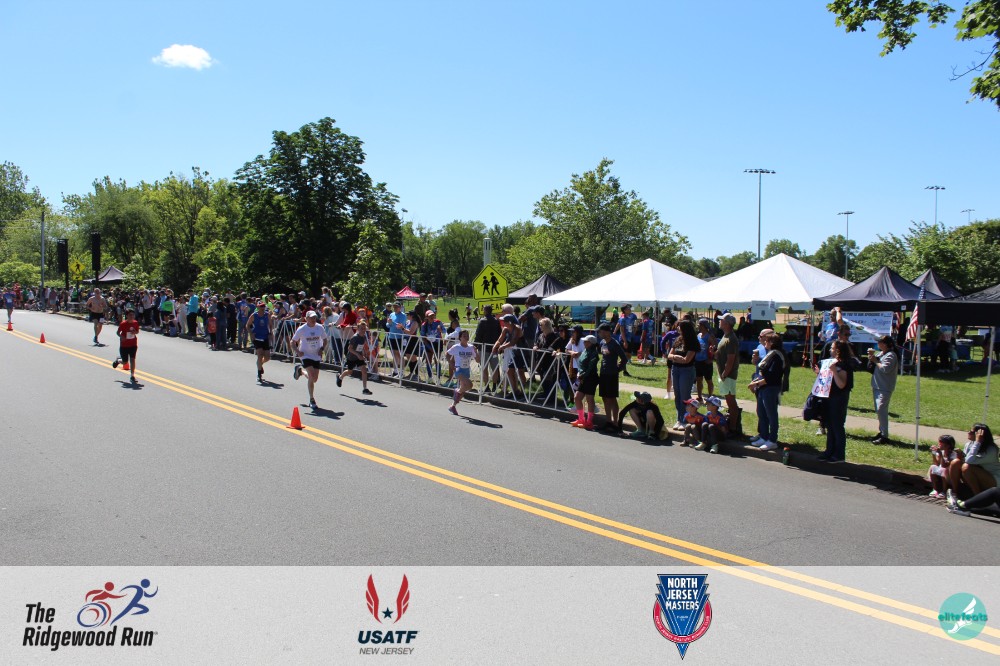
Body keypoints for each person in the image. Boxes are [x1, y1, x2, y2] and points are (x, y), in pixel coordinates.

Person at [817, 340, 854, 463]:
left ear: (838, 350)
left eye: (832, 348)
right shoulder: (832, 362)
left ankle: (839, 454)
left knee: (837, 425)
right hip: (829, 396)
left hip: (839, 398)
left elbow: (841, 384)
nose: (830, 350)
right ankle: (829, 451)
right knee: (829, 425)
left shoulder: (844, 365)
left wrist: (833, 371)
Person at [748, 331, 785, 452]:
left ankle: (772, 440)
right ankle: (764, 436)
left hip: (771, 388)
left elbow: (771, 377)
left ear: (772, 343)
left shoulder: (777, 356)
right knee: (761, 413)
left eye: (767, 341)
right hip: (763, 388)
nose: (765, 342)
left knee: (771, 414)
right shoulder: (770, 354)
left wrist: (755, 384)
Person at [948, 423, 1000, 498]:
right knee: (955, 462)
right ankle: (955, 493)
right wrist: (960, 457)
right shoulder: (969, 444)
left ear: (980, 435)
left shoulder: (991, 449)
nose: (968, 432)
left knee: (966, 467)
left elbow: (969, 461)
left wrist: (977, 442)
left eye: (972, 432)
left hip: (994, 480)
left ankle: (978, 498)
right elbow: (967, 460)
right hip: (977, 475)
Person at [291, 310, 329, 410]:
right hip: (305, 355)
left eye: (314, 317)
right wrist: (298, 352)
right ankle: (312, 400)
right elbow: (292, 342)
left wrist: (322, 349)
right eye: (311, 318)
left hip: (316, 355)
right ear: (306, 318)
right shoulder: (302, 329)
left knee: (314, 379)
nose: (313, 319)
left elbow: (325, 340)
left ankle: (301, 372)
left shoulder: (320, 327)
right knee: (311, 376)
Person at [866, 335, 899, 444]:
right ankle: (882, 432)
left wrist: (875, 361)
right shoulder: (880, 354)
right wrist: (871, 357)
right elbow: (870, 368)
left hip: (885, 386)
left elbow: (885, 369)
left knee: (881, 409)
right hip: (877, 385)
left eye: (879, 342)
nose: (878, 344)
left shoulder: (891, 355)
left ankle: (884, 436)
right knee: (879, 410)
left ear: (885, 344)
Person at [666, 319, 698, 429]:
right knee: (677, 395)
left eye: (680, 326)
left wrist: (676, 358)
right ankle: (679, 419)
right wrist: (676, 357)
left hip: (687, 370)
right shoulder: (678, 340)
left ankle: (685, 419)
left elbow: (687, 360)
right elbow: (669, 355)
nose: (678, 328)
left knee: (684, 396)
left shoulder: (692, 342)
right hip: (676, 369)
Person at [596, 322, 628, 430]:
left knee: (612, 398)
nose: (599, 333)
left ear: (606, 332)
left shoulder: (614, 344)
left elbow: (624, 358)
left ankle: (615, 423)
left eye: (600, 331)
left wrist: (617, 369)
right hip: (603, 373)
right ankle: (608, 421)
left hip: (612, 375)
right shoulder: (602, 343)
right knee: (605, 397)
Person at [715, 313, 742, 435]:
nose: (719, 321)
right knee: (729, 401)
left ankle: (733, 428)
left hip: (728, 376)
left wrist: (725, 374)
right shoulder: (725, 336)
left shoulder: (731, 339)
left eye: (721, 320)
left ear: (726, 324)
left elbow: (731, 359)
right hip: (724, 375)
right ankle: (732, 425)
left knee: (731, 403)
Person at [446, 330, 479, 415]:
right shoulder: (456, 347)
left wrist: (476, 352)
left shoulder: (471, 347)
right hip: (459, 369)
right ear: (460, 338)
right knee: (470, 385)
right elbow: (447, 354)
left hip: (466, 370)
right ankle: (457, 391)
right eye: (464, 336)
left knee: (463, 390)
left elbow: (478, 360)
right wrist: (451, 364)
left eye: (467, 336)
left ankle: (453, 406)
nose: (466, 337)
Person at [571, 335, 600, 430]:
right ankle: (581, 419)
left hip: (591, 378)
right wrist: (580, 374)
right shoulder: (584, 351)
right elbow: (581, 364)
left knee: (589, 399)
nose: (584, 343)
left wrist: (583, 375)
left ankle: (589, 421)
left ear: (591, 343)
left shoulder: (594, 353)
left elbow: (590, 367)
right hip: (582, 378)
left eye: (586, 341)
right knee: (577, 397)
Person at [337, 319, 373, 395]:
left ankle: (365, 389)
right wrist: (358, 354)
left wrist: (364, 353)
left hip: (359, 357)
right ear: (358, 328)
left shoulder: (364, 337)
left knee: (364, 370)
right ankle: (340, 377)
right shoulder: (355, 337)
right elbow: (349, 348)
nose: (363, 330)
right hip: (351, 357)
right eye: (361, 328)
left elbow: (361, 346)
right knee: (350, 372)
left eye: (364, 328)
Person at [473, 305, 502, 392]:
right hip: (494, 348)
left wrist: (475, 345)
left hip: (483, 348)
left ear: (485, 311)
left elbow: (478, 335)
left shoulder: (482, 321)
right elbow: (499, 334)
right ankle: (494, 386)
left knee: (484, 368)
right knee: (495, 368)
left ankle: (487, 387)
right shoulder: (496, 321)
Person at [112, 309, 140, 383]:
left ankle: (132, 376)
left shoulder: (136, 323)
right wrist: (121, 336)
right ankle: (118, 360)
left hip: (133, 344)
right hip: (124, 345)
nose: (132, 316)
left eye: (133, 315)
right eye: (130, 315)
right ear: (127, 316)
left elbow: (137, 331)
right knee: (125, 362)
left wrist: (135, 332)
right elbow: (118, 332)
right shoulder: (123, 324)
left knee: (132, 359)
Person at [928, 435, 959, 499]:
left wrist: (941, 455)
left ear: (948, 445)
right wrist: (933, 453)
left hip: (949, 476)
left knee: (944, 470)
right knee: (932, 467)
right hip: (941, 473)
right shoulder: (941, 452)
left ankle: (944, 491)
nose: (939, 444)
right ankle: (935, 489)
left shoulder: (953, 454)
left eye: (941, 443)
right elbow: (936, 463)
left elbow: (944, 465)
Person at [614, 304, 638, 377]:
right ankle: (622, 371)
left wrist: (635, 328)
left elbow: (635, 323)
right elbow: (622, 331)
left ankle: (618, 367)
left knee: (628, 356)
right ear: (624, 310)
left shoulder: (633, 316)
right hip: (624, 339)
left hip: (630, 338)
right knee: (624, 356)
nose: (630, 309)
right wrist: (625, 341)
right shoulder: (622, 319)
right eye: (628, 308)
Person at [694, 318, 716, 401]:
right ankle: (699, 396)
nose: (698, 326)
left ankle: (710, 397)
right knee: (699, 380)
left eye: (699, 324)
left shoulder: (709, 336)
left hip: (706, 362)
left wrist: (711, 359)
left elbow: (714, 348)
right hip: (698, 361)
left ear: (703, 326)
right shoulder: (698, 335)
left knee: (708, 380)